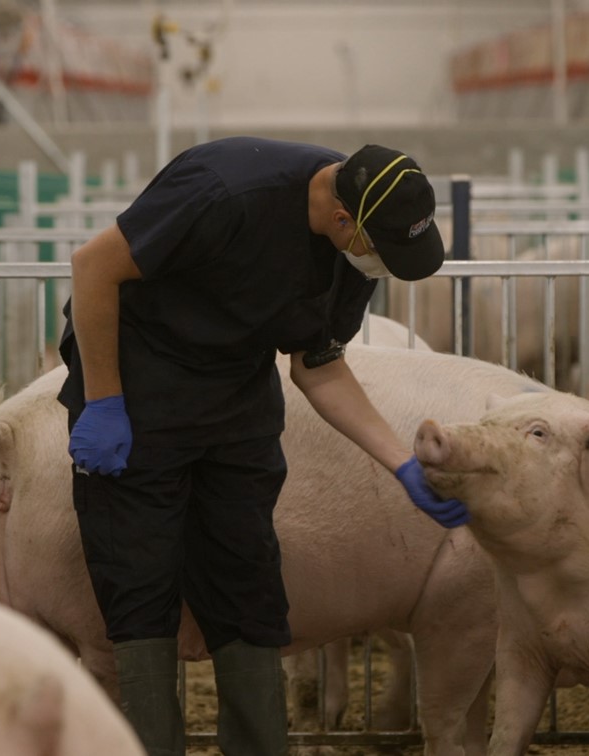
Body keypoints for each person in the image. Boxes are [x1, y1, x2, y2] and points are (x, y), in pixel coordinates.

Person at [56, 136, 468, 756]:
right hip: (141, 387)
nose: (379, 265)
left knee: (247, 582)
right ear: (341, 219)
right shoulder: (224, 192)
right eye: (380, 250)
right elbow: (94, 265)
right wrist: (105, 401)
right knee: (138, 586)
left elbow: (319, 366)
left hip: (236, 397)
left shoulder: (353, 249)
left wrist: (401, 462)